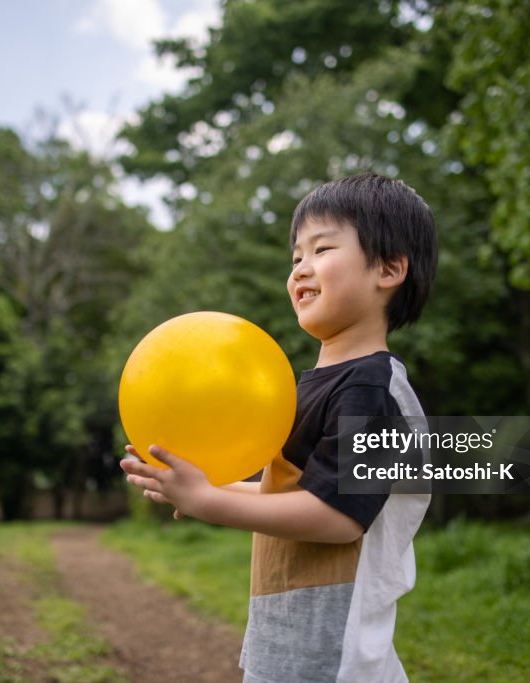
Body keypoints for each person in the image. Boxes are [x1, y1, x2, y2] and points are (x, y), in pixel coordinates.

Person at [120, 171, 437, 682]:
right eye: (296, 258)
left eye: (321, 249)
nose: (300, 270)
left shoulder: (375, 392)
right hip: (285, 644)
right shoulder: (307, 385)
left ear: (389, 269)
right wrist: (201, 485)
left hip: (336, 659)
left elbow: (338, 517)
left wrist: (211, 502)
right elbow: (290, 489)